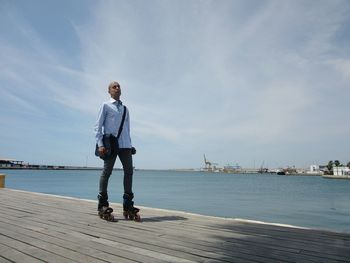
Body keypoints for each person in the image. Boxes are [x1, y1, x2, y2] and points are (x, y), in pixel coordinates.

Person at [94, 81, 140, 221]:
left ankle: (127, 204)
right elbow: (97, 127)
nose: (117, 88)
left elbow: (127, 129)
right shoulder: (105, 106)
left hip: (125, 145)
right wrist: (100, 144)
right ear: (109, 91)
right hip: (110, 145)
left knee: (129, 172)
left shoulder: (126, 109)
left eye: (119, 86)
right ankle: (102, 204)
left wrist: (130, 145)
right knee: (106, 172)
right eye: (114, 86)